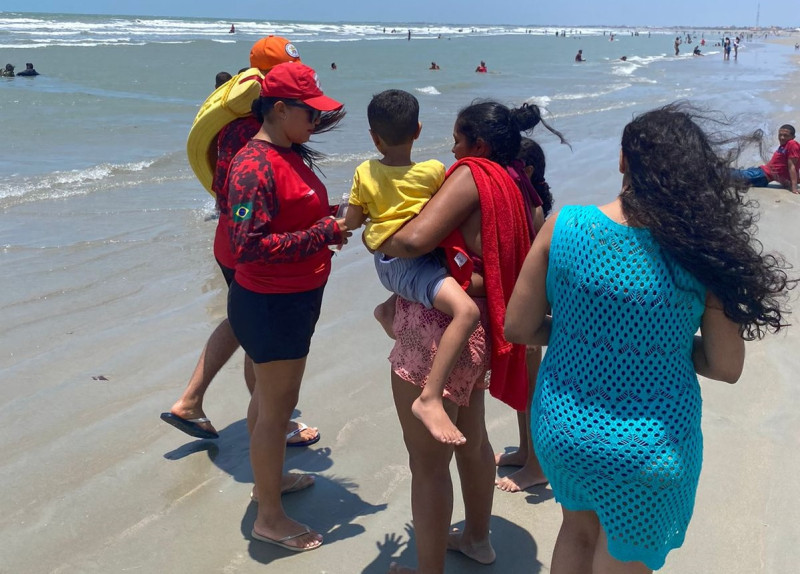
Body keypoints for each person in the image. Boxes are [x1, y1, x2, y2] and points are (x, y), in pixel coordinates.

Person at [505, 102, 794, 572]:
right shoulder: (703, 251)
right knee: (626, 556)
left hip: (563, 430)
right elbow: (726, 366)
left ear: (623, 159)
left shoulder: (566, 226)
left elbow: (517, 326)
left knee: (577, 531)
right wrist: (656, 348)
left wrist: (587, 336)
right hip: (650, 445)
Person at [378, 100, 558, 574]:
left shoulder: (471, 173)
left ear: (478, 143)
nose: (453, 148)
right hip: (480, 327)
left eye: (458, 138)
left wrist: (380, 238)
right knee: (473, 440)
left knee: (428, 464)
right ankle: (478, 539)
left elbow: (417, 240)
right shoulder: (521, 183)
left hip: (439, 330)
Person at [161, 36, 325, 455]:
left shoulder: (249, 126)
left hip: (234, 240)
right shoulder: (247, 132)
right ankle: (270, 423)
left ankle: (201, 402)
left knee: (245, 324)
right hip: (243, 245)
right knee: (256, 329)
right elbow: (237, 200)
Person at [227, 62, 349, 551]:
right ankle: (269, 518)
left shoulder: (289, 153)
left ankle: (269, 483)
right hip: (271, 304)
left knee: (268, 402)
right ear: (279, 109)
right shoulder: (252, 164)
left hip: (293, 297)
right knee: (276, 409)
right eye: (310, 114)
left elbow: (291, 218)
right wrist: (326, 232)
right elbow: (247, 246)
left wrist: (329, 220)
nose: (316, 123)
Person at [344, 89, 480, 445]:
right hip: (411, 266)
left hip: (386, 263)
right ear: (418, 130)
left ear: (373, 137)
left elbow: (355, 220)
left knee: (430, 283)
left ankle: (386, 309)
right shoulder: (434, 170)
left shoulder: (364, 171)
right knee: (465, 311)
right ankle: (430, 398)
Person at [734, 124, 799, 193]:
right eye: (780, 135)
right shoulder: (784, 146)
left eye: (785, 135)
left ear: (793, 137)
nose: (782, 137)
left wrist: (794, 187)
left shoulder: (792, 144)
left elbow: (792, 166)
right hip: (759, 172)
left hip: (760, 176)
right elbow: (781, 168)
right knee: (728, 175)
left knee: (726, 175)